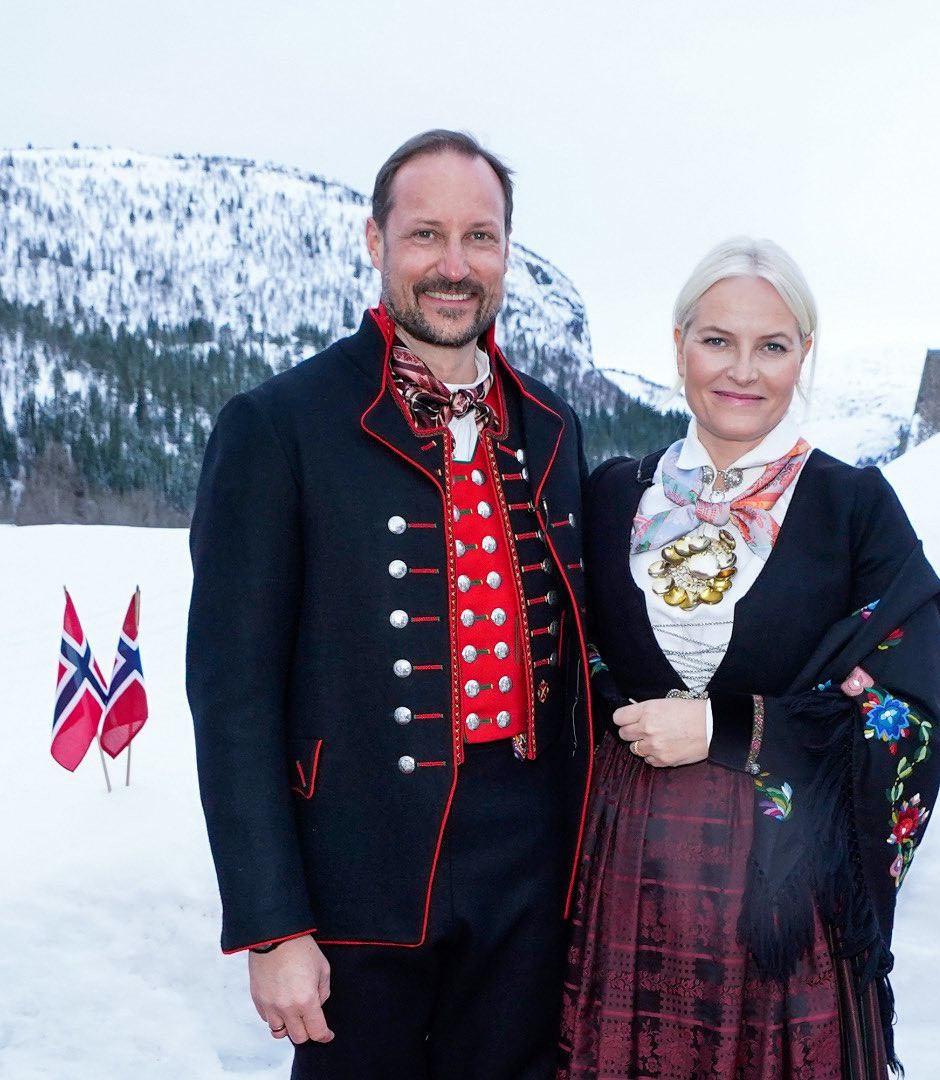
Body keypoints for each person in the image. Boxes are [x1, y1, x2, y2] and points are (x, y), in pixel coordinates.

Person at [187, 129, 594, 1080]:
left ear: (506, 251)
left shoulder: (551, 425)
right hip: (358, 865)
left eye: (480, 237)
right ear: (377, 242)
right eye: (425, 235)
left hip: (531, 868)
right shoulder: (280, 425)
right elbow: (233, 696)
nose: (454, 266)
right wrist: (273, 925)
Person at [559, 238, 940, 1079]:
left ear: (803, 354)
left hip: (785, 891)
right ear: (679, 346)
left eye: (771, 345)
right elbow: (561, 656)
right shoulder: (611, 495)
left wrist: (728, 728)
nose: (742, 370)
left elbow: (903, 712)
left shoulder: (855, 509)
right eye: (717, 340)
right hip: (627, 865)